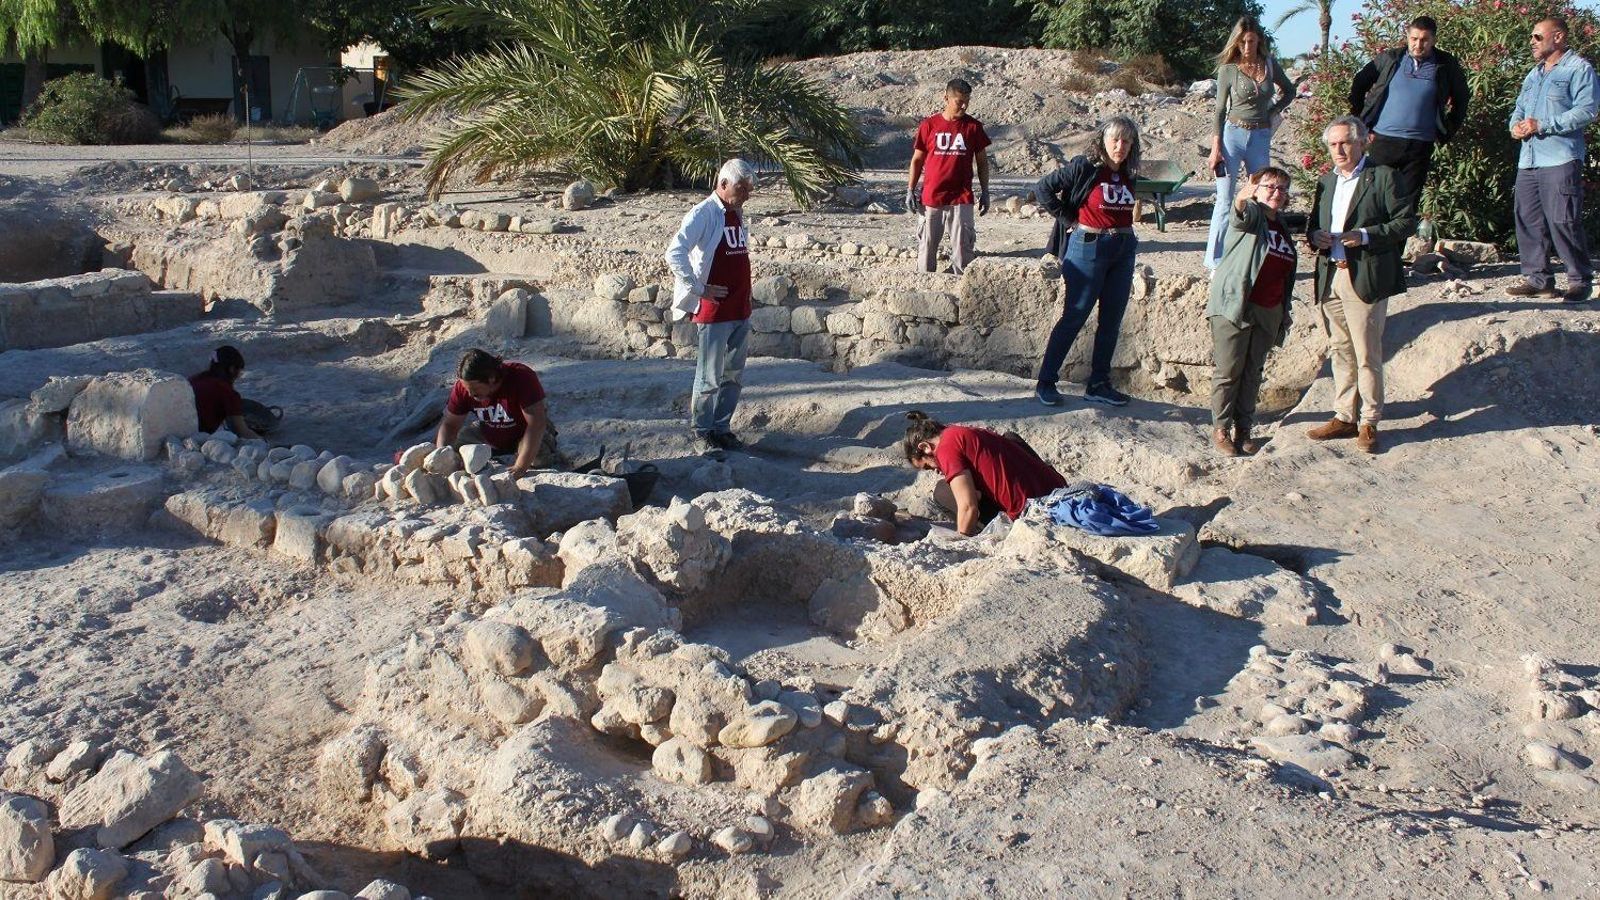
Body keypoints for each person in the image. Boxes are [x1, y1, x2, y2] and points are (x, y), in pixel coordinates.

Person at [1304, 116, 1418, 455]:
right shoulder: (1326, 182)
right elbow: (1312, 225)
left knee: (1367, 352)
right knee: (1340, 349)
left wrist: (1365, 236)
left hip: (1364, 276)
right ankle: (1344, 415)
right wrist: (1315, 237)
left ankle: (1369, 419)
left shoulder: (1383, 177)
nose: (1339, 149)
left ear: (1361, 142)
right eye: (1333, 144)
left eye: (1345, 142)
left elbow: (1404, 222)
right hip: (1331, 274)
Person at [1032, 116, 1143, 407]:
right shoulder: (1085, 167)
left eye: (1127, 140)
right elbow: (1044, 188)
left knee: (1112, 320)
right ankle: (1046, 382)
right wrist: (1069, 221)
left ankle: (1099, 384)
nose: (1121, 146)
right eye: (1115, 139)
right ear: (1103, 141)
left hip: (1122, 248)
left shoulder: (1129, 173)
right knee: (1074, 316)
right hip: (1089, 247)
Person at [665, 158, 756, 455]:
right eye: (742, 188)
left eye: (749, 189)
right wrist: (698, 288)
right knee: (709, 376)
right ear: (724, 183)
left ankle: (721, 427)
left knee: (733, 374)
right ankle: (702, 431)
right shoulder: (703, 213)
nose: (746, 194)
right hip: (715, 310)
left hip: (740, 307)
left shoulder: (736, 213)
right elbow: (675, 252)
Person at [1506, 16, 1598, 303]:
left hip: (1560, 158)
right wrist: (1516, 126)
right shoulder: (1533, 75)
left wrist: (1542, 124)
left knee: (1564, 219)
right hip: (1529, 160)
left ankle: (1579, 280)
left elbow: (1588, 110)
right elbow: (1519, 110)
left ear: (1558, 37)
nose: (1531, 42)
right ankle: (1539, 280)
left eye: (1537, 36)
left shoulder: (1578, 69)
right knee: (1528, 220)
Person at [1207, 167, 1297, 457]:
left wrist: (1283, 311)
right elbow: (1239, 214)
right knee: (1229, 370)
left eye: (1282, 188)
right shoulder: (1254, 216)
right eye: (1269, 186)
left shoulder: (1281, 226)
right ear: (1256, 190)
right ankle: (1221, 430)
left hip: (1269, 310)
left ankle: (1243, 429)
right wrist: (1242, 199)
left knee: (1252, 372)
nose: (1276, 193)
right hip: (1236, 305)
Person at [1348, 15, 1472, 209]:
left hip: (1419, 146)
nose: (1418, 44)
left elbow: (1462, 97)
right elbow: (1359, 83)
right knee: (1372, 198)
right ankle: (1368, 239)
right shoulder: (1391, 59)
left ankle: (1397, 240)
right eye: (1414, 39)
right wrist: (1361, 122)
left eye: (1424, 40)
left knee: (1406, 206)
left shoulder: (1445, 65)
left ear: (1434, 41)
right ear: (1407, 37)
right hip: (1383, 141)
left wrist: (1448, 128)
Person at [1204, 16, 1297, 271]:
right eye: (1242, 42)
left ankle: (1256, 254)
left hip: (1260, 135)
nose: (1247, 46)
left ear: (1259, 41)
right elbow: (1219, 111)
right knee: (1225, 198)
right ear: (1237, 42)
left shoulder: (1269, 65)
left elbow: (1289, 91)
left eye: (1251, 41)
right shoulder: (1229, 70)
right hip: (1232, 134)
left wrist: (1273, 110)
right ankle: (1215, 262)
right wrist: (1216, 148)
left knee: (1262, 194)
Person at [901, 411, 1065, 536]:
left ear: (925, 447)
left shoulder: (945, 447)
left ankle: (981, 533)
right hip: (1057, 492)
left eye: (928, 466)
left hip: (1031, 513)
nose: (936, 470)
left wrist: (962, 542)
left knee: (942, 491)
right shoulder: (959, 431)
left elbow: (968, 506)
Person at [907, 78, 992, 276]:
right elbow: (917, 160)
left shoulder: (973, 127)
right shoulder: (929, 125)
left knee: (963, 250)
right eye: (959, 101)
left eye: (967, 101)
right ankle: (925, 288)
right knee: (926, 248)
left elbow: (982, 162)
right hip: (931, 197)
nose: (964, 106)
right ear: (946, 98)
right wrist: (910, 189)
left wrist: (986, 191)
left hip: (961, 197)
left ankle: (960, 292)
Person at [435, 348, 558, 477]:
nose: (470, 394)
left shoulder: (521, 377)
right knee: (454, 447)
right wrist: (442, 455)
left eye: (475, 389)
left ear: (491, 378)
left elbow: (536, 424)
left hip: (524, 433)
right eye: (467, 389)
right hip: (489, 431)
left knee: (538, 458)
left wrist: (520, 467)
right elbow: (450, 424)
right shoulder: (463, 388)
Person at [189, 345, 262, 440]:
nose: (239, 376)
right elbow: (242, 431)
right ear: (231, 369)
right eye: (240, 372)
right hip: (199, 438)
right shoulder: (228, 393)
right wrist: (264, 442)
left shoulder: (194, 379)